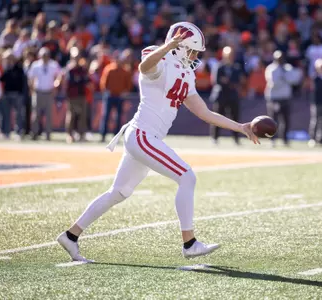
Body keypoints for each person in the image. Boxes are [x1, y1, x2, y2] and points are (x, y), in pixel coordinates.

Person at [57, 22, 259, 262]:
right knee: (187, 176)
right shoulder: (159, 59)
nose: (195, 57)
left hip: (145, 138)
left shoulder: (187, 73)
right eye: (192, 51)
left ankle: (71, 235)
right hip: (143, 135)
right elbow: (145, 66)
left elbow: (204, 112)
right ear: (180, 46)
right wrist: (168, 46)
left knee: (119, 192)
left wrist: (240, 127)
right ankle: (189, 243)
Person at [209, 46, 245, 145]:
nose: (230, 57)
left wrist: (227, 81)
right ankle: (214, 138)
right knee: (217, 118)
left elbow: (239, 81)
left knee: (235, 118)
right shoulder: (219, 66)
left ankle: (236, 138)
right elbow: (216, 81)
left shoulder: (236, 67)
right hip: (221, 95)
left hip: (233, 95)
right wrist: (228, 82)